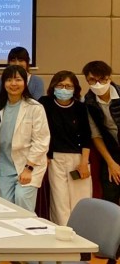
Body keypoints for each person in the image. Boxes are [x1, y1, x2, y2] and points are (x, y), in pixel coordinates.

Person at [0, 65, 50, 212]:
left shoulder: (35, 107)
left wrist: (28, 168)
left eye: (18, 80)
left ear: (25, 82)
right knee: (4, 207)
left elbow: (41, 141)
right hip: (3, 166)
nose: (13, 84)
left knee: (22, 199)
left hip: (29, 164)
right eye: (9, 80)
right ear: (3, 83)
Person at [39, 71, 92, 224]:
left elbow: (86, 136)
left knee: (80, 202)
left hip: (78, 159)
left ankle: (82, 236)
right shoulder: (45, 103)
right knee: (59, 202)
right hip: (55, 159)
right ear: (53, 87)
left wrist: (84, 163)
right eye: (60, 85)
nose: (64, 89)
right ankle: (63, 236)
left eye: (68, 86)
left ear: (75, 89)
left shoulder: (80, 108)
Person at [81, 60, 120, 204]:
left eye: (102, 79)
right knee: (109, 194)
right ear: (87, 80)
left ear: (109, 77)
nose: (98, 84)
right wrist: (111, 163)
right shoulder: (88, 102)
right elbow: (96, 135)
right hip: (111, 152)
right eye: (92, 80)